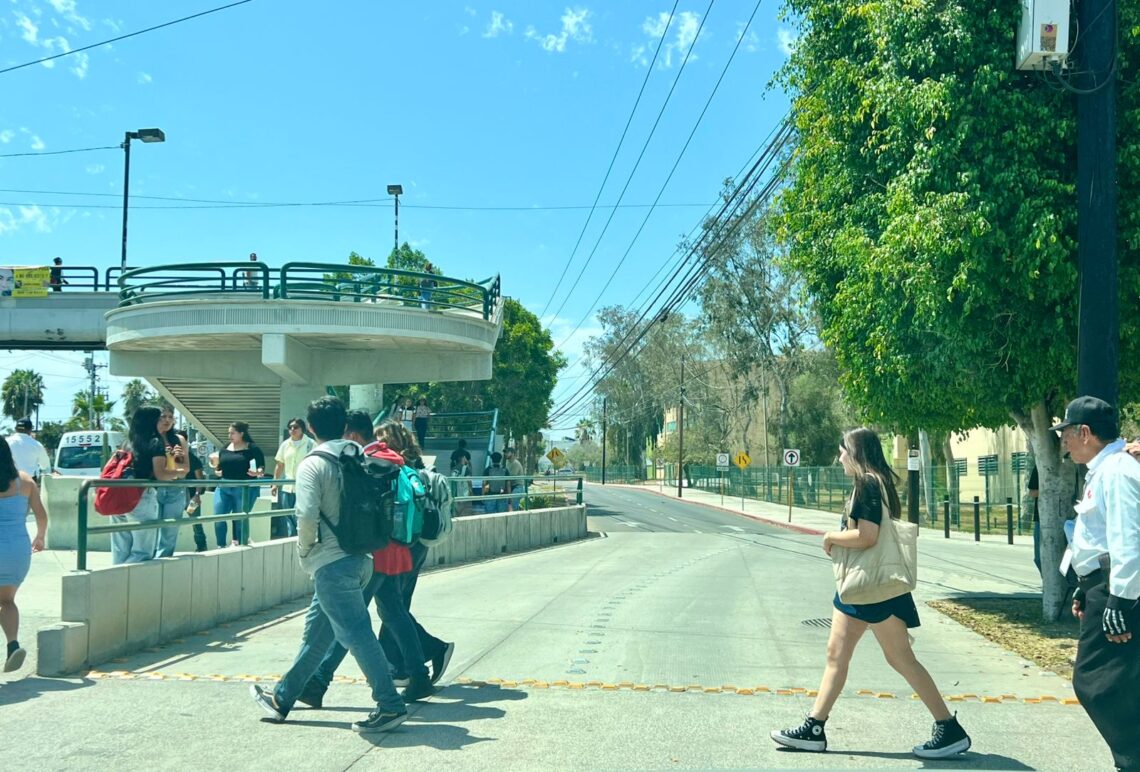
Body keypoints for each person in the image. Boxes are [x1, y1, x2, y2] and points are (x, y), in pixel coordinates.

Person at [771, 427, 970, 759]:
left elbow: (867, 536)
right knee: (838, 656)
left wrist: (831, 538)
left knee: (901, 659)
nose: (840, 457)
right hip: (859, 588)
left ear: (856, 452)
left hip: (872, 588)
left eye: (843, 451)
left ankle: (948, 728)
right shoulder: (878, 483)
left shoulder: (867, 483)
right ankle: (814, 727)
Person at [249, 396, 408, 733]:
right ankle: (283, 698)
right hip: (362, 558)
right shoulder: (357, 456)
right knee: (318, 636)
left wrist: (305, 551)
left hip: (331, 564)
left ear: (309, 428)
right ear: (344, 426)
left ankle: (390, 704)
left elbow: (305, 515)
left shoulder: (312, 463)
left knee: (356, 633)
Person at [298, 413, 436, 707]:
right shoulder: (398, 461)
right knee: (393, 613)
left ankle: (319, 681)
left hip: (371, 550)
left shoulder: (367, 458)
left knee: (351, 622)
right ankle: (419, 676)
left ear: (353, 434)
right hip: (398, 547)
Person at [1054, 396, 1140, 771]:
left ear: (1084, 433)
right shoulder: (1103, 470)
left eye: (1067, 434)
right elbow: (1096, 539)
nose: (1064, 443)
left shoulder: (1117, 471)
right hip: (1100, 586)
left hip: (1116, 589)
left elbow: (1128, 539)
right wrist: (1082, 585)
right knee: (1116, 683)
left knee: (1098, 683)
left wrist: (1119, 600)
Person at [113, 407, 187, 565]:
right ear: (152, 421)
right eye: (160, 418)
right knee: (142, 552)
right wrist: (177, 473)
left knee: (121, 549)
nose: (164, 421)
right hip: (141, 496)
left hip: (118, 494)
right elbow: (161, 475)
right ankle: (131, 585)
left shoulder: (127, 442)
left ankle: (114, 582)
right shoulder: (155, 442)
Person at [0, 435, 47, 671]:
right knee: (6, 601)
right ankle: (12, 645)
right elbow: (40, 513)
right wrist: (40, 536)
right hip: (17, 550)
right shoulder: (25, 482)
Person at [211, 422, 264, 547]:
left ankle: (241, 544)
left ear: (241, 434)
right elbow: (219, 467)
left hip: (244, 488)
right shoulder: (225, 448)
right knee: (218, 517)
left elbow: (261, 467)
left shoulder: (252, 448)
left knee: (240, 519)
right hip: (224, 487)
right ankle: (221, 546)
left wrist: (257, 472)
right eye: (228, 433)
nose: (229, 435)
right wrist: (217, 471)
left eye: (232, 433)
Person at [153, 407, 190, 558]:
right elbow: (157, 470)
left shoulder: (179, 440)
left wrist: (174, 461)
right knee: (151, 529)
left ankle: (164, 561)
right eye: (163, 417)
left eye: (170, 417)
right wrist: (173, 466)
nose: (167, 420)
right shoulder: (151, 439)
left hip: (175, 488)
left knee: (170, 530)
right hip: (154, 488)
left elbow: (186, 468)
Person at [270, 418, 315, 539]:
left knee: (299, 515)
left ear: (302, 429)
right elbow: (280, 465)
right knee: (286, 515)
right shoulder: (285, 444)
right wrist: (275, 483)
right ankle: (291, 538)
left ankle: (302, 538)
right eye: (290, 427)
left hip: (304, 486)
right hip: (287, 487)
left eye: (295, 427)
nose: (292, 430)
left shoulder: (311, 444)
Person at [1028, 464, 1041, 574]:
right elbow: (1032, 492)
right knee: (1039, 558)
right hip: (1041, 519)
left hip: (1067, 517)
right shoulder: (1039, 466)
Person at [504, 447, 525, 511]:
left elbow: (511, 478)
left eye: (507, 452)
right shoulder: (508, 462)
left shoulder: (515, 463)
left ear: (513, 453)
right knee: (508, 506)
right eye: (505, 452)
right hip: (511, 487)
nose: (505, 454)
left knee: (513, 507)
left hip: (517, 487)